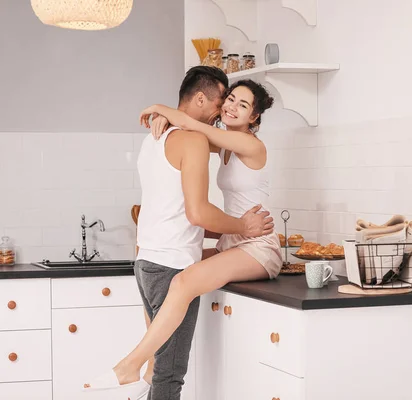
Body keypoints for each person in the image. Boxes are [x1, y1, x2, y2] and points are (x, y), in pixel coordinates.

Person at [82, 68, 277, 400]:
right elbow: (193, 132)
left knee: (183, 281)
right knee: (177, 282)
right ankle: (143, 370)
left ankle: (133, 364)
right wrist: (168, 118)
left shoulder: (248, 144)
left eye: (242, 105)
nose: (229, 107)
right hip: (233, 242)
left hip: (258, 244)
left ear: (255, 116)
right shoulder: (221, 145)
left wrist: (161, 108)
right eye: (228, 99)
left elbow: (195, 127)